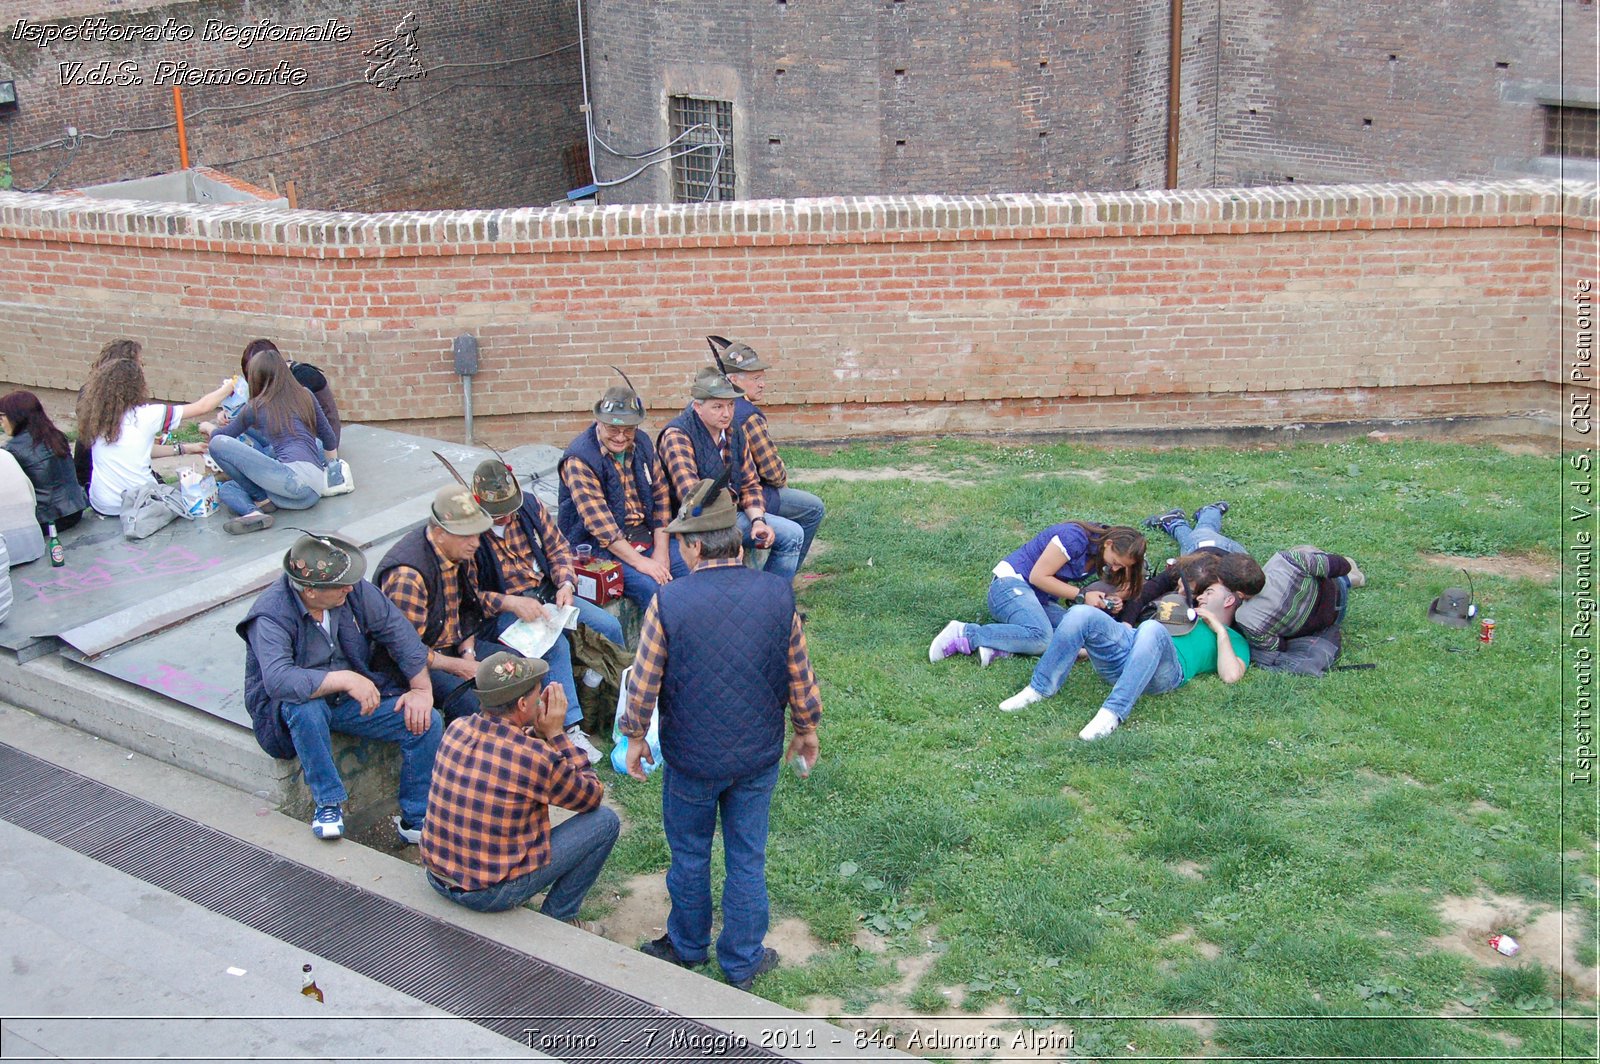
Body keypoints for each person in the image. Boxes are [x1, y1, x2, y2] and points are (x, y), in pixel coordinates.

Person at [620, 474, 822, 991]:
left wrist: (635, 735)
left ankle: (687, 946)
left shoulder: (668, 603)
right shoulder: (779, 594)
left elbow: (643, 683)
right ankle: (743, 957)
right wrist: (806, 729)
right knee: (747, 856)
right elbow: (799, 672)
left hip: (691, 759)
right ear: (733, 537)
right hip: (757, 757)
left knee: (689, 854)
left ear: (691, 544)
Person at [237, 532, 442, 843]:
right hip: (297, 704)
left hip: (352, 700)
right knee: (304, 707)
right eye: (339, 585)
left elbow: (399, 633)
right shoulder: (271, 614)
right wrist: (345, 679)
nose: (350, 587)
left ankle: (416, 818)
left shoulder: (353, 590)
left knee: (426, 721)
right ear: (309, 590)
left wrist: (421, 690)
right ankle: (328, 802)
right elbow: (279, 680)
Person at [421, 652, 619, 929]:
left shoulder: (456, 728)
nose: (541, 700)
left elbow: (507, 750)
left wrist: (537, 735)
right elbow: (591, 795)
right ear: (524, 703)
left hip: (437, 877)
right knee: (605, 822)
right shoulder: (534, 757)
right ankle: (559, 920)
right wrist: (556, 734)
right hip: (488, 894)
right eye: (538, 694)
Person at [999, 555, 1261, 741]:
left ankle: (1112, 713)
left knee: (1152, 629)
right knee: (1081, 614)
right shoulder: (1184, 612)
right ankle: (1039, 688)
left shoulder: (1233, 639)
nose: (1201, 596)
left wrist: (1217, 629)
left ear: (1229, 600)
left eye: (1209, 593)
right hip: (1127, 655)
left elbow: (1230, 676)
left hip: (1165, 673)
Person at [470, 456, 625, 760]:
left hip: (546, 592)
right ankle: (569, 730)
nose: (504, 519)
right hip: (503, 610)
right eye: (496, 514)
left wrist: (566, 584)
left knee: (607, 626)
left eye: (508, 511)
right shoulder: (471, 529)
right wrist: (511, 602)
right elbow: (470, 596)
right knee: (554, 646)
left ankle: (617, 702)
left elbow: (558, 549)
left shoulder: (528, 506)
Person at [657, 366, 805, 584]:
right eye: (717, 406)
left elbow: (750, 483)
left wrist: (758, 521)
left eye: (730, 405)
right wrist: (731, 535)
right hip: (694, 523)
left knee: (793, 534)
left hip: (731, 513)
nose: (726, 413)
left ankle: (769, 597)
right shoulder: (677, 435)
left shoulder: (734, 429)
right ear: (697, 407)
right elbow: (694, 496)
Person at [929, 522, 1148, 666]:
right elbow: (1038, 577)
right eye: (1117, 563)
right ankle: (965, 633)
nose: (1116, 568)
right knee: (1042, 637)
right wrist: (1082, 596)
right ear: (1108, 544)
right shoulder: (1073, 538)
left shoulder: (1100, 555)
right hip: (1009, 587)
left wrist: (1111, 599)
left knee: (1077, 630)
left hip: (1037, 600)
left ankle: (1000, 647)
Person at [376, 485, 508, 722]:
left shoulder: (460, 552)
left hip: (452, 648)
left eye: (477, 534)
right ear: (439, 533)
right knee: (479, 708)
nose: (475, 543)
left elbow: (468, 610)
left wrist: (467, 653)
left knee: (515, 670)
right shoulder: (408, 576)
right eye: (466, 535)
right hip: (417, 666)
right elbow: (405, 651)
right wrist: (458, 667)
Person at [557, 372, 687, 610]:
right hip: (599, 547)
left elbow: (661, 498)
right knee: (653, 589)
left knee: (692, 568)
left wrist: (661, 552)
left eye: (628, 430)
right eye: (613, 429)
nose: (620, 437)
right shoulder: (579, 459)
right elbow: (602, 528)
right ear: (599, 421)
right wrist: (642, 563)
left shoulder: (643, 443)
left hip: (644, 536)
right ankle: (660, 644)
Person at [711, 335, 827, 572]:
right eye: (755, 379)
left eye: (762, 378)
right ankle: (783, 576)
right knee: (813, 508)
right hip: (747, 496)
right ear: (733, 380)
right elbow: (774, 473)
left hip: (723, 494)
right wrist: (781, 481)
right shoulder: (748, 415)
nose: (762, 384)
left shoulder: (712, 406)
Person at [75, 346, 234, 516]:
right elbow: (203, 406)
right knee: (190, 502)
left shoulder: (96, 416)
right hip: (140, 504)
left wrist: (186, 448)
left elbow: (137, 451)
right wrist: (231, 385)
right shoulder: (147, 415)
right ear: (137, 386)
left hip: (103, 504)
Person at [208, 346, 342, 535]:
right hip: (312, 491)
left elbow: (222, 438)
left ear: (256, 377)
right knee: (228, 488)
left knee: (217, 444)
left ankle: (259, 501)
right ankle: (253, 513)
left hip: (292, 481)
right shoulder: (305, 394)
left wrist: (209, 427)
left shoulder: (255, 406)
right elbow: (329, 438)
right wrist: (334, 472)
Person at [202, 339, 343, 452]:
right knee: (239, 427)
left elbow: (265, 417)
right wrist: (230, 413)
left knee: (244, 440)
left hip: (315, 443)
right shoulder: (278, 380)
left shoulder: (302, 379)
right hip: (296, 438)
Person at [1233, 545, 1365, 653]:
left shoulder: (1246, 619)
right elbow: (1342, 565)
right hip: (1337, 592)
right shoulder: (1284, 560)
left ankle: (1350, 579)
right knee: (1302, 550)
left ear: (1239, 593)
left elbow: (1276, 647)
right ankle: (1349, 579)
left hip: (1329, 622)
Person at [0, 391, 87, 534]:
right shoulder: (57, 436)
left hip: (46, 520)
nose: (1, 423)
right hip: (76, 510)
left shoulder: (11, 450)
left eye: (2, 417)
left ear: (16, 417)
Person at [1143, 500, 1248, 557]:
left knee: (1199, 535)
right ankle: (1210, 511)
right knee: (1203, 531)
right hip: (1214, 552)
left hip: (1237, 557)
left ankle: (1175, 522)